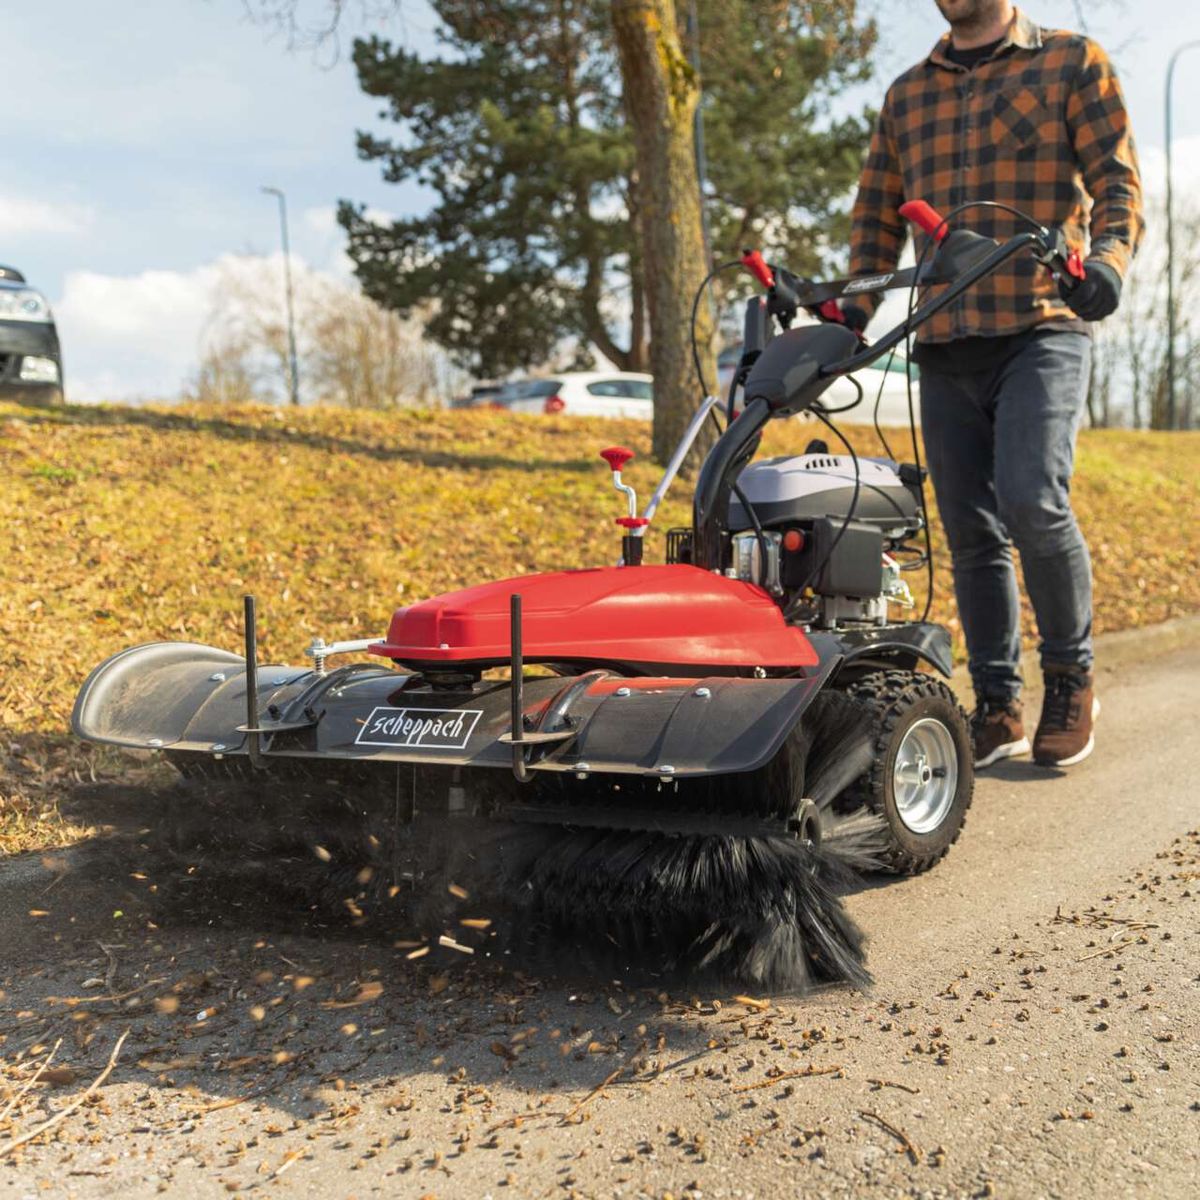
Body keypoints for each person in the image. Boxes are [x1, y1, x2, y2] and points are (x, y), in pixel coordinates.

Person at [843, 0, 1143, 769]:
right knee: (971, 534)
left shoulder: (1073, 60)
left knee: (1030, 497)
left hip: (1042, 325)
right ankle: (1000, 704)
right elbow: (876, 210)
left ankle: (1072, 681)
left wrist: (1107, 261)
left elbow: (1116, 181)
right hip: (944, 339)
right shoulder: (908, 93)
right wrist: (851, 307)